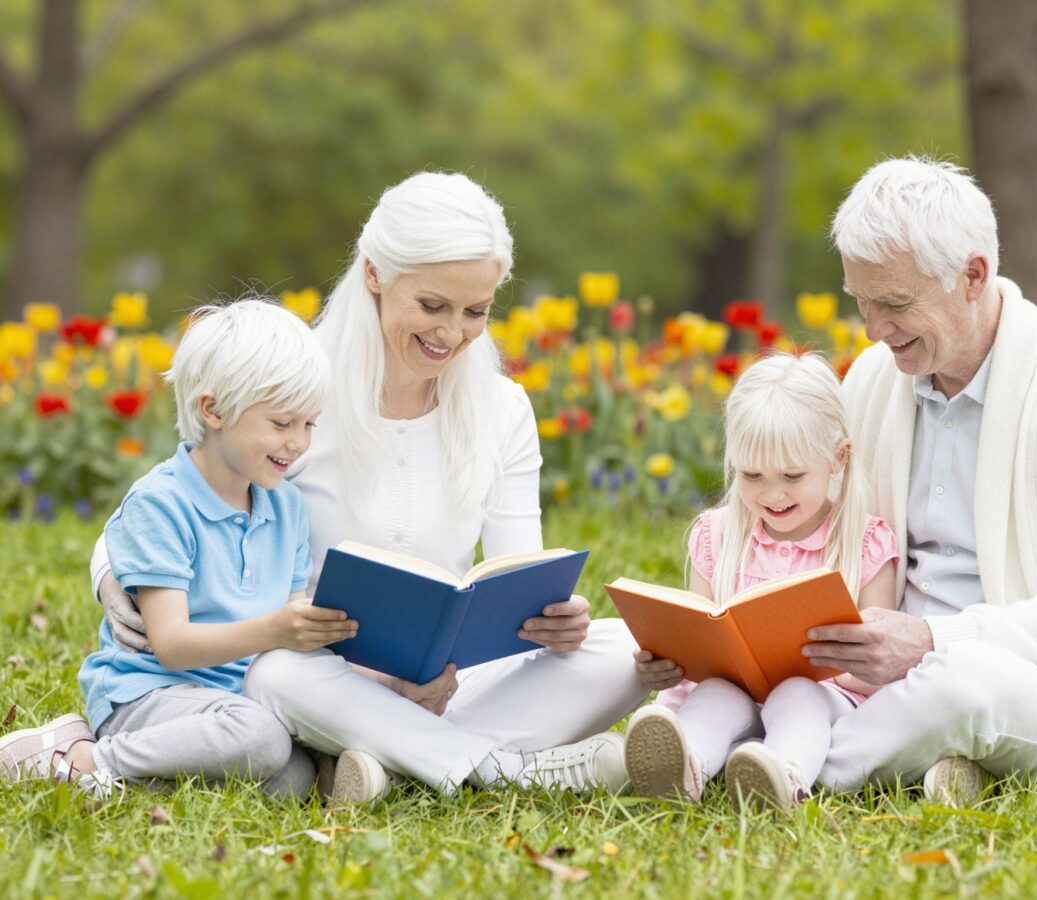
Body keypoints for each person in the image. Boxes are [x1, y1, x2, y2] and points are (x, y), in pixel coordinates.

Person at [93, 172, 646, 802]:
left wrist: (551, 621)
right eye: (433, 306)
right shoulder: (297, 388)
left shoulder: (501, 408)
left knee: (625, 646)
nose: (453, 333)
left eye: (476, 312)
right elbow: (178, 491)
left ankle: (378, 760)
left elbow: (518, 567)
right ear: (376, 274)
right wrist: (109, 574)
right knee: (275, 673)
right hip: (321, 671)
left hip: (452, 681)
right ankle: (496, 770)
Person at [800, 156, 1037, 804]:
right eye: (860, 301)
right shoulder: (870, 379)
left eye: (893, 303)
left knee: (959, 688)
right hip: (877, 677)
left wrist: (932, 640)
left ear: (973, 275)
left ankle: (790, 769)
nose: (873, 330)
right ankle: (943, 763)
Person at [0, 300, 352, 797]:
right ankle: (83, 759)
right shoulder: (161, 504)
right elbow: (172, 645)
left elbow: (290, 610)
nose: (297, 443)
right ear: (213, 410)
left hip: (233, 699)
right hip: (148, 693)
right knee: (263, 740)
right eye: (281, 423)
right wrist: (275, 629)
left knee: (292, 780)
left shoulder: (286, 506)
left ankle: (125, 781)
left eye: (309, 425)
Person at [624, 353, 899, 811]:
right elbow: (698, 635)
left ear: (838, 459)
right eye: (752, 475)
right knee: (714, 694)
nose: (772, 494)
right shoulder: (716, 536)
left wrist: (822, 664)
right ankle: (683, 767)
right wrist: (668, 662)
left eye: (792, 476)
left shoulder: (865, 543)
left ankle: (782, 777)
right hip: (735, 691)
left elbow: (879, 670)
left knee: (797, 694)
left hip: (825, 702)